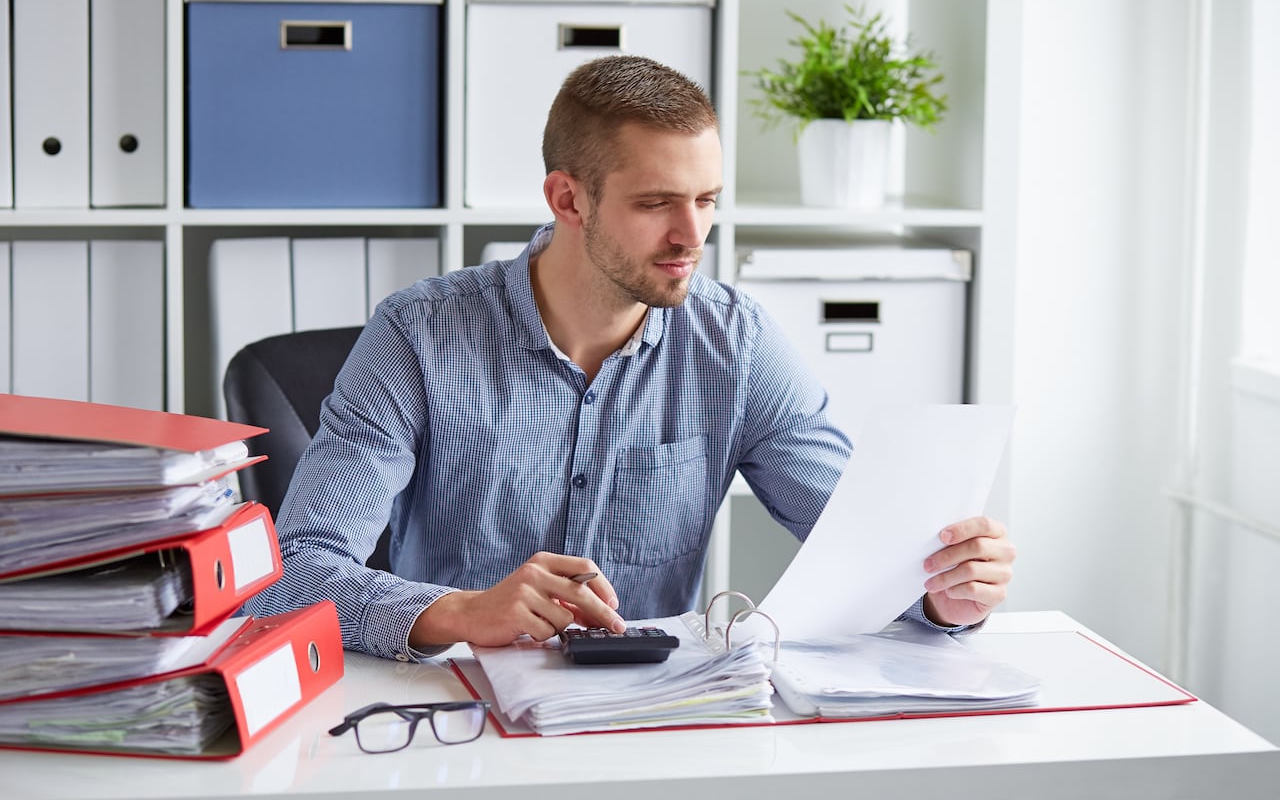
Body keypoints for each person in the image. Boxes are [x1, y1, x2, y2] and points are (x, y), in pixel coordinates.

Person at [244, 55, 1015, 661]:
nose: (691, 235)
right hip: (457, 720)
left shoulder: (736, 344)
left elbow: (868, 543)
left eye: (707, 199)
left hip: (648, 718)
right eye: (656, 204)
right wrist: (461, 612)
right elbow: (294, 574)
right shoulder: (416, 335)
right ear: (567, 199)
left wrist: (945, 593)